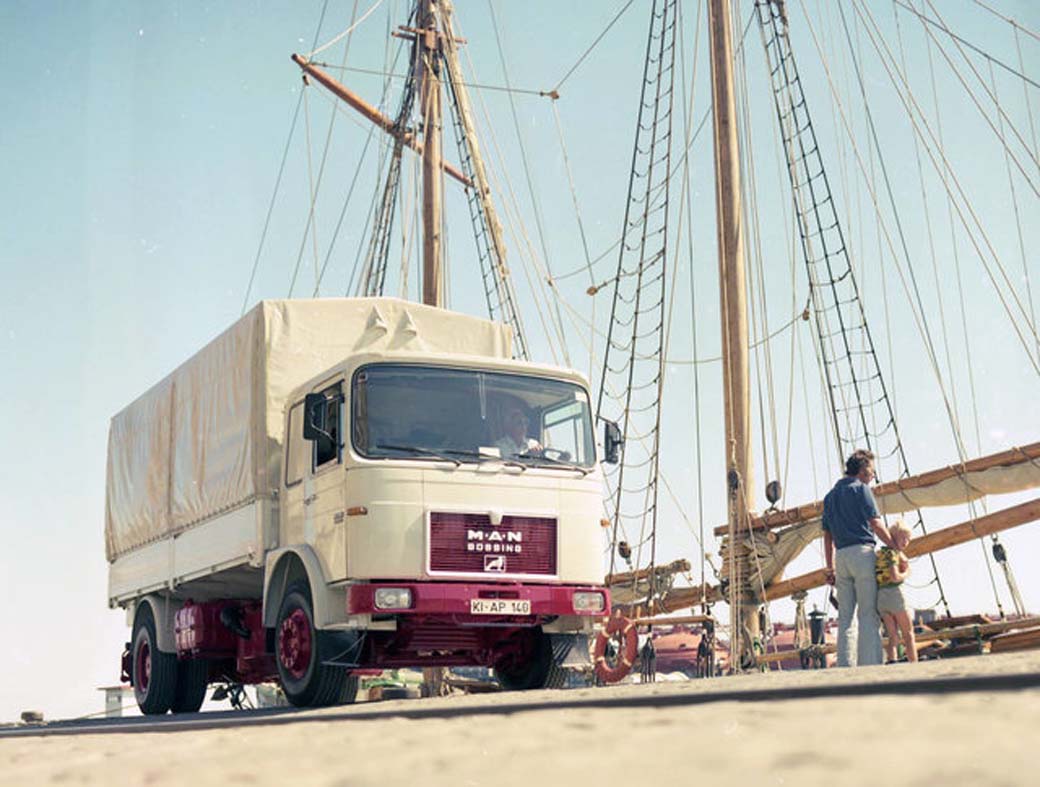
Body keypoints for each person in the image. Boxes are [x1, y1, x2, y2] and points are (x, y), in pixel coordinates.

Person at [822, 449, 897, 667]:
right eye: (872, 472)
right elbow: (875, 523)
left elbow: (827, 537)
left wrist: (829, 568)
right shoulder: (862, 490)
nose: (873, 476)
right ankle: (870, 664)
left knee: (845, 616)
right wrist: (894, 546)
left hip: (841, 558)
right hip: (862, 554)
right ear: (863, 470)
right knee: (867, 613)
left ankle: (845, 664)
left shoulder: (829, 497)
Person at [877, 520, 918, 664]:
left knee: (892, 635)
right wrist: (906, 572)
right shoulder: (893, 553)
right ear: (893, 537)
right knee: (908, 634)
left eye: (908, 539)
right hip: (894, 595)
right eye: (903, 538)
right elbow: (895, 577)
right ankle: (914, 663)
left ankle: (892, 660)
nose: (906, 542)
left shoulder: (879, 554)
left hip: (881, 598)